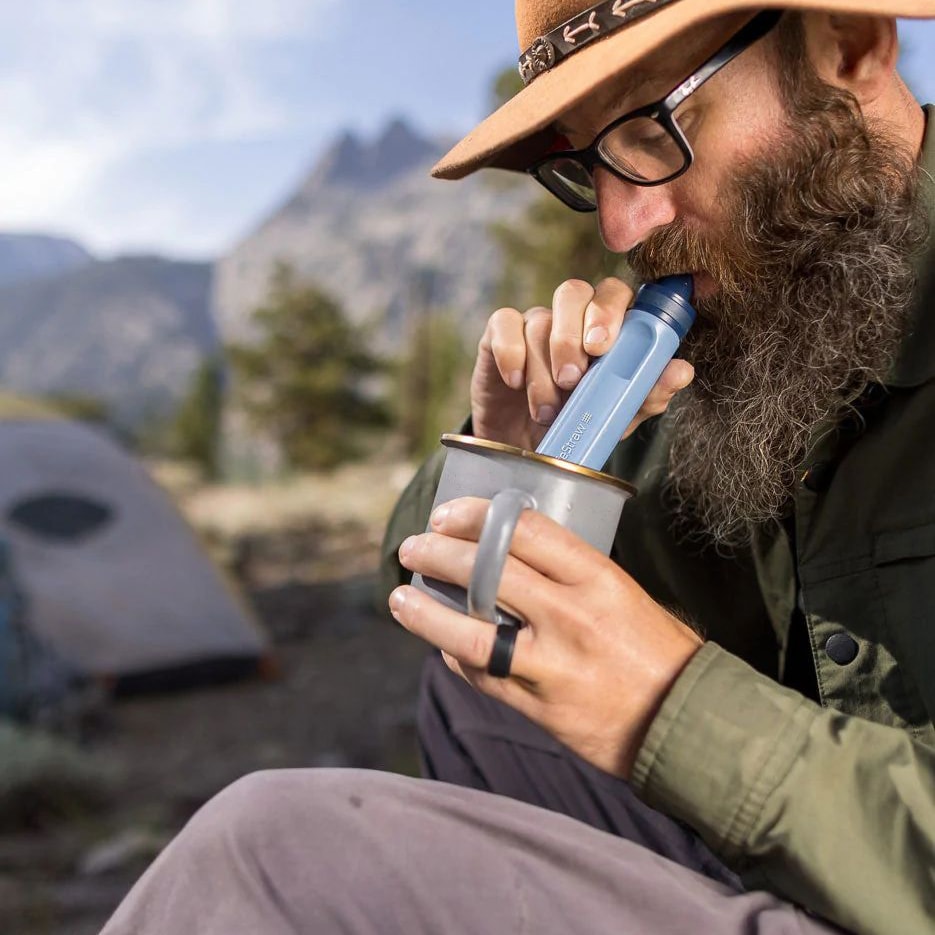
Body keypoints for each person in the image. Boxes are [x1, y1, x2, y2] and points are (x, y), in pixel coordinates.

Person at [100, 2, 934, 934]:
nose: (623, 224)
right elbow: (430, 585)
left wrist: (673, 708)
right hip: (818, 868)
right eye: (586, 165)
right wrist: (516, 460)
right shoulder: (756, 323)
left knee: (270, 851)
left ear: (847, 45)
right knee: (480, 701)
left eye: (659, 126)